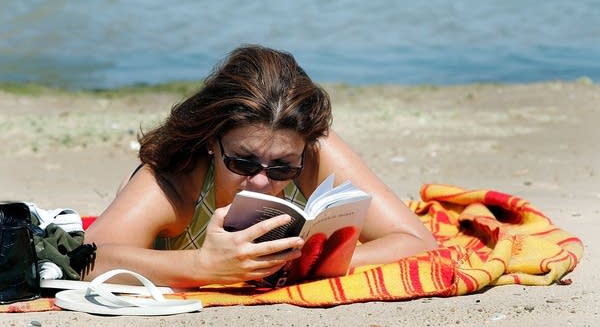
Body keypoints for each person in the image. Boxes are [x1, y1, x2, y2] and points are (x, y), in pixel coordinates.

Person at [84, 45, 437, 288]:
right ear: (211, 139)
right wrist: (204, 267)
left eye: (282, 168)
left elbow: (417, 241)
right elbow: (85, 259)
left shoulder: (312, 152)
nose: (261, 182)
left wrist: (314, 263)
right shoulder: (176, 179)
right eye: (242, 162)